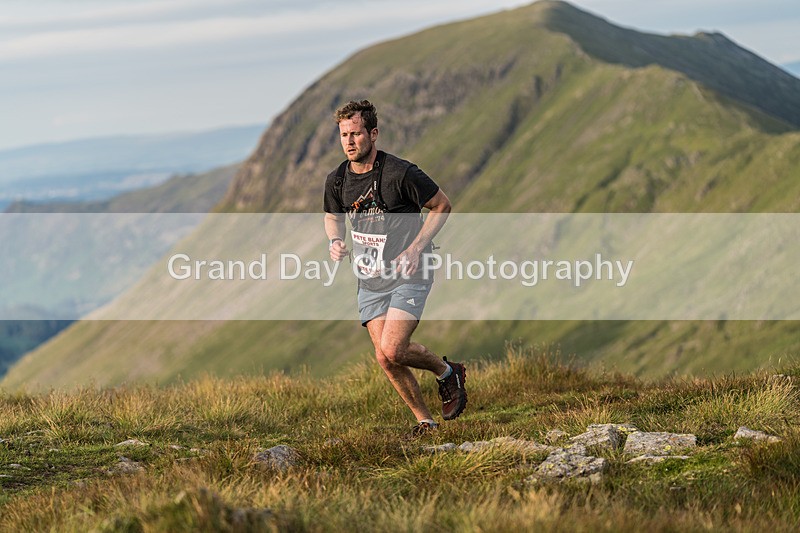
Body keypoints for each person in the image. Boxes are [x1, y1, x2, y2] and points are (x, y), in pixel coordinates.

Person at [323, 100, 467, 436]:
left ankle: (448, 373)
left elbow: (442, 205)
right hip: (369, 278)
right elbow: (333, 216)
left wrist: (416, 248)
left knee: (394, 347)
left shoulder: (400, 173)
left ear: (373, 134)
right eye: (344, 134)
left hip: (410, 271)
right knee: (385, 358)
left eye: (356, 133)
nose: (349, 141)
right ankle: (425, 422)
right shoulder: (338, 180)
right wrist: (334, 240)